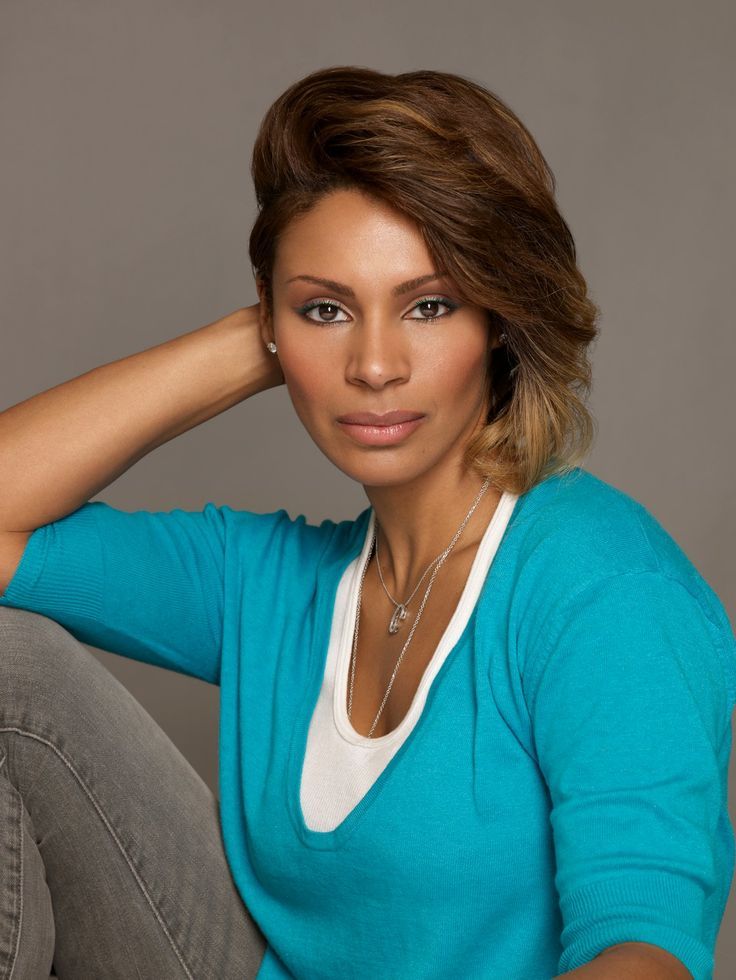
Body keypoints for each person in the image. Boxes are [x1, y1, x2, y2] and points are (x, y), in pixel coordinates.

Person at [0, 64, 733, 980]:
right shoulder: (270, 584)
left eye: (429, 305)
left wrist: (307, 312)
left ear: (500, 318)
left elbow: (646, 948)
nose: (375, 365)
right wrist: (258, 338)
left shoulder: (604, 588)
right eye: (328, 310)